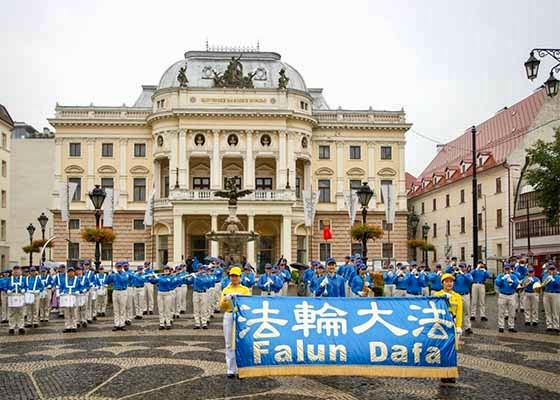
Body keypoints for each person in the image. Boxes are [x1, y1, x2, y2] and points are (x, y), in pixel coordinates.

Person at [220, 266, 252, 379]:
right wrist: (225, 300)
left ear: (240, 277)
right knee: (229, 343)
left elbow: (249, 304)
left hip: (241, 317)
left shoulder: (245, 290)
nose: (234, 278)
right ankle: (230, 369)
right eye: (232, 276)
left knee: (241, 342)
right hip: (229, 315)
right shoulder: (226, 289)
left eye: (236, 276)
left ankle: (241, 368)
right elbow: (221, 306)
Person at [433, 272, 463, 384]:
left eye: (451, 281)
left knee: (452, 349)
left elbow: (459, 312)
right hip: (441, 325)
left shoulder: (457, 296)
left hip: (453, 323)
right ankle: (443, 373)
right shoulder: (437, 295)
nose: (449, 283)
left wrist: (459, 326)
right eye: (446, 281)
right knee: (442, 348)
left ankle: (451, 373)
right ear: (442, 283)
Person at [148, 265, 177, 330]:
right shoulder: (160, 276)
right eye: (165, 270)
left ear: (169, 271)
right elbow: (153, 281)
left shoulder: (171, 277)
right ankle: (161, 324)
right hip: (160, 293)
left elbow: (166, 281)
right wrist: (150, 278)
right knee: (161, 309)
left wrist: (158, 278)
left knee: (167, 309)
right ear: (163, 271)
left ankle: (168, 323)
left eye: (167, 270)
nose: (166, 271)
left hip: (168, 293)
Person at [105, 261, 131, 331]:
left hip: (123, 291)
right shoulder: (114, 274)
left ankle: (122, 324)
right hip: (115, 291)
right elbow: (107, 282)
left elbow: (123, 280)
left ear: (122, 267)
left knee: (122, 308)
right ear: (116, 267)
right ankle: (116, 324)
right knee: (116, 309)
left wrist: (116, 274)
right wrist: (109, 275)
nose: (119, 268)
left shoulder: (125, 274)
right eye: (117, 267)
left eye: (120, 267)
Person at [495, 264, 519, 333]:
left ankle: (511, 326)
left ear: (510, 269)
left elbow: (516, 285)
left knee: (512, 312)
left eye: (508, 269)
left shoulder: (514, 276)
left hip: (511, 295)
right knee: (501, 312)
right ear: (504, 269)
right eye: (506, 269)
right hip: (503, 295)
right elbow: (497, 283)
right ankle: (501, 326)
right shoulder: (500, 276)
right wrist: (503, 279)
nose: (507, 270)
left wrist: (511, 281)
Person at [452, 262, 473, 335]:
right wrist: (454, 273)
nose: (461, 268)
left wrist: (463, 274)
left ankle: (467, 327)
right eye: (460, 267)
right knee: (456, 312)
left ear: (466, 268)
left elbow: (470, 281)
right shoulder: (456, 275)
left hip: (465, 295)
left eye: (463, 267)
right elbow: (450, 279)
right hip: (456, 295)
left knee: (466, 311)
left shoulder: (468, 274)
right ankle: (456, 326)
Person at [189, 264, 212, 329]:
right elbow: (189, 282)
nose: (201, 270)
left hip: (203, 293)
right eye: (200, 269)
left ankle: (204, 323)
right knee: (196, 309)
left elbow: (203, 282)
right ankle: (197, 323)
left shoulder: (206, 276)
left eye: (202, 269)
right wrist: (190, 277)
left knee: (203, 308)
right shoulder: (195, 276)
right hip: (196, 292)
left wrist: (196, 277)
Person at [5, 265, 27, 334]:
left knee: (20, 312)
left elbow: (26, 286)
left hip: (20, 295)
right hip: (12, 295)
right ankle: (11, 327)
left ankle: (21, 327)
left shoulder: (23, 279)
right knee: (12, 312)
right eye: (15, 270)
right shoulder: (9, 279)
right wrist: (7, 290)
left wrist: (24, 290)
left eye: (17, 270)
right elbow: (5, 287)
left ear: (20, 271)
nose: (16, 271)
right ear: (13, 271)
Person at [58, 266, 80, 333]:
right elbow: (60, 288)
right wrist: (61, 292)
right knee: (66, 312)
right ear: (67, 273)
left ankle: (74, 326)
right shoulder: (63, 280)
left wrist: (78, 291)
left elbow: (80, 287)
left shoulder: (77, 280)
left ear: (74, 272)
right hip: (66, 297)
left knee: (74, 312)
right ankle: (67, 326)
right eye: (69, 272)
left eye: (72, 272)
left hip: (74, 296)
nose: (70, 273)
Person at [542, 264, 560, 332]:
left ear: (555, 270)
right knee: (547, 310)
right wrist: (548, 278)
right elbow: (543, 284)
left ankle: (556, 326)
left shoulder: (558, 277)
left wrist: (553, 279)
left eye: (553, 269)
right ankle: (549, 325)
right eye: (550, 269)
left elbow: (558, 285)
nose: (551, 271)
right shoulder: (545, 276)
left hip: (555, 294)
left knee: (555, 311)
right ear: (548, 270)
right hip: (546, 293)